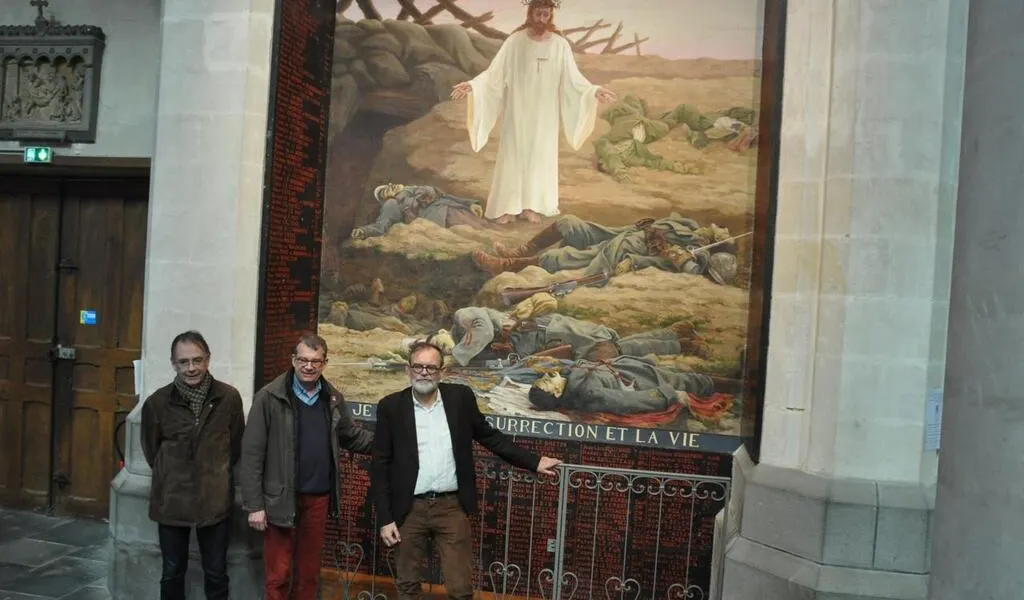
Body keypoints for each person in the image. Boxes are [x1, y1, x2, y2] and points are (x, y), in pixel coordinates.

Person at [371, 341, 562, 599]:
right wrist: (385, 518)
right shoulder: (390, 407)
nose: (424, 372)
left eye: (430, 367)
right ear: (409, 369)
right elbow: (380, 464)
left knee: (460, 590)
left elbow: (490, 437)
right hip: (408, 510)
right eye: (418, 366)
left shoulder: (460, 399)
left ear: (442, 370)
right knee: (407, 586)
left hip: (451, 508)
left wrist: (534, 461)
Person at [450, 0, 616, 224]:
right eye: (538, 14)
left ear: (550, 16)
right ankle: (508, 207)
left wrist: (593, 91)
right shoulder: (515, 42)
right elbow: (494, 73)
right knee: (514, 155)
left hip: (545, 113)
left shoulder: (559, 45)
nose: (541, 20)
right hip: (517, 110)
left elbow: (573, 79)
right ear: (530, 13)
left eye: (546, 15)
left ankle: (531, 206)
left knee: (539, 157)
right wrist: (474, 85)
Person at [238, 333, 374, 600]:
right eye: (303, 360)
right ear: (293, 360)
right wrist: (254, 505)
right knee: (278, 574)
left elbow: (352, 436)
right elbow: (251, 454)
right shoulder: (269, 398)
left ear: (325, 363)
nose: (309, 366)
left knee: (308, 574)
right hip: (280, 499)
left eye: (316, 361)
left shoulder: (332, 398)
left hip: (318, 499)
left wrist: (391, 444)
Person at [141, 331, 245, 600]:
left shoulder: (229, 398)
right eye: (184, 362)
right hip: (172, 500)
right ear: (173, 364)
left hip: (215, 500)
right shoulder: (157, 403)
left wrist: (216, 474)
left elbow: (235, 446)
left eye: (197, 360)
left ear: (208, 360)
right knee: (173, 571)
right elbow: (151, 450)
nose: (191, 368)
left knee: (216, 573)